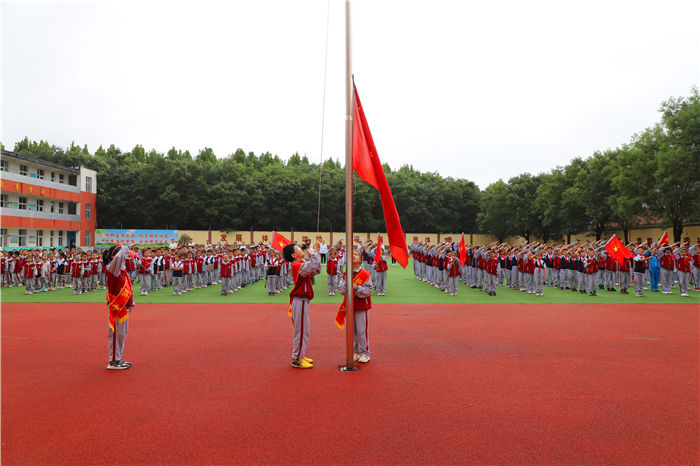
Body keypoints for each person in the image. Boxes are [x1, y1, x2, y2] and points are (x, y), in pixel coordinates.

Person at [283, 242, 321, 369]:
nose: (301, 249)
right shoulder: (297, 265)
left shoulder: (301, 265)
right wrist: (315, 251)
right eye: (298, 248)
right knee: (301, 330)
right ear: (294, 255)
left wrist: (314, 253)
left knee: (304, 330)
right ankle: (297, 359)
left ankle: (300, 354)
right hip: (299, 300)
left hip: (302, 301)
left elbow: (316, 269)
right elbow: (313, 265)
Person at [337, 248, 373, 363]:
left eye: (356, 255)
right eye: (351, 254)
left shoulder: (364, 274)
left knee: (362, 330)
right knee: (352, 330)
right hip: (350, 304)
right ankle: (356, 351)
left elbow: (369, 290)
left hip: (361, 304)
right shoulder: (346, 273)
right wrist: (346, 286)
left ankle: (365, 352)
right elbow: (341, 289)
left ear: (360, 259)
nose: (353, 256)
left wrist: (357, 288)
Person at [103, 244, 135, 370]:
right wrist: (125, 247)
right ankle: (114, 361)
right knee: (116, 334)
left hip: (123, 307)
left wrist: (131, 303)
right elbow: (119, 257)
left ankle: (118, 358)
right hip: (117, 308)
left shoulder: (120, 270)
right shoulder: (112, 268)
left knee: (122, 334)